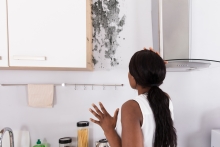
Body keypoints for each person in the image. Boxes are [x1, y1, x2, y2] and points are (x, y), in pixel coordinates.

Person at [89, 48, 177, 147]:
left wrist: (108, 129)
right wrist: (155, 65)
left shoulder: (131, 108)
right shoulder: (166, 100)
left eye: (129, 71)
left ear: (134, 78)